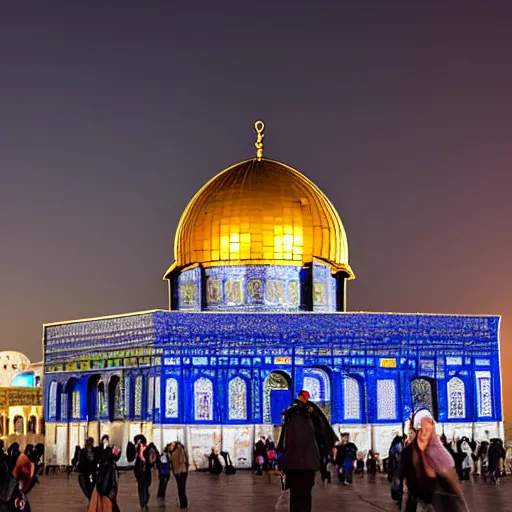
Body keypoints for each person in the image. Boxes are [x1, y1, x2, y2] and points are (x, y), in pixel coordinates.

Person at [277, 389, 338, 512]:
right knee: (305, 494)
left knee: (295, 495)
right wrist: (329, 448)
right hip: (308, 462)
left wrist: (282, 463)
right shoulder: (312, 413)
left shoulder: (290, 415)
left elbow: (283, 442)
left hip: (293, 463)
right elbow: (323, 430)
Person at [399, 409, 468, 511]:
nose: (425, 433)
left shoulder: (441, 453)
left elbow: (455, 486)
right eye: (423, 429)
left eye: (429, 428)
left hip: (437, 503)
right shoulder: (409, 452)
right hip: (419, 503)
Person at [88, 444, 121, 512]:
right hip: (105, 486)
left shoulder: (107, 463)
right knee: (108, 503)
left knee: (107, 502)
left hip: (104, 485)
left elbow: (116, 457)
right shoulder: (108, 463)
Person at [133, 435, 153, 512]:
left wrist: (143, 458)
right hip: (139, 472)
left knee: (145, 488)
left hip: (146, 472)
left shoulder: (148, 449)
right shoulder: (137, 449)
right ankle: (142, 504)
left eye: (140, 442)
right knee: (140, 488)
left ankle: (145, 502)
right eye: (138, 442)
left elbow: (150, 462)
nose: (139, 444)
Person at [169, 441, 189, 510]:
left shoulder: (180, 448)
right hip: (176, 471)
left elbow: (182, 459)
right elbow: (170, 460)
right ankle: (182, 503)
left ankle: (184, 504)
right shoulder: (170, 449)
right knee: (179, 487)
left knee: (182, 488)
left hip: (182, 470)